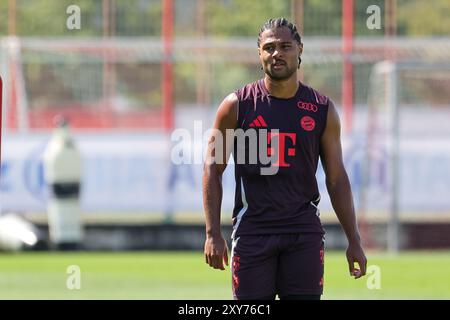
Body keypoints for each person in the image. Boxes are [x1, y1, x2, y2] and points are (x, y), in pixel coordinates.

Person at [202, 17, 367, 300]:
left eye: (285, 46)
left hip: (303, 234)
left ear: (300, 50)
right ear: (259, 54)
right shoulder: (236, 106)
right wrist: (212, 233)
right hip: (253, 234)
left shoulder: (321, 109)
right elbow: (212, 170)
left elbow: (336, 178)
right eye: (269, 47)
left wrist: (354, 240)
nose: (276, 53)